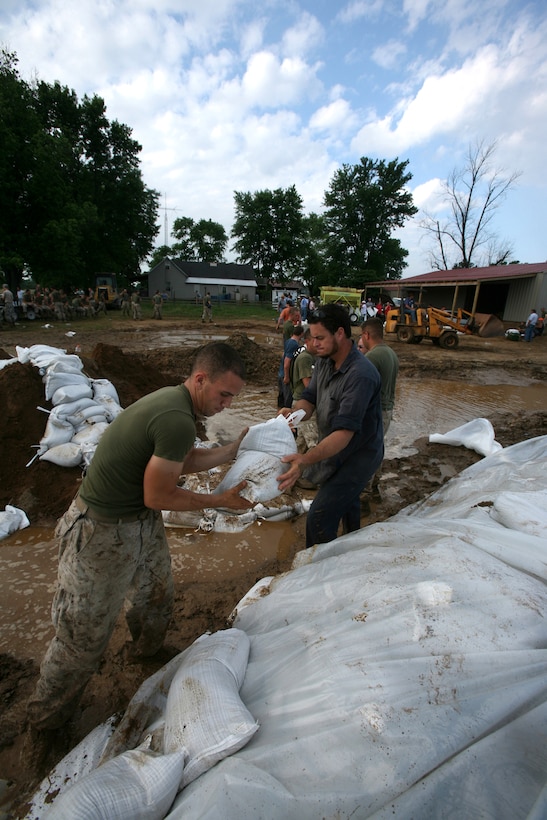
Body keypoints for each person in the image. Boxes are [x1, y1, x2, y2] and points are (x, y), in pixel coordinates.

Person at [27, 342, 254, 736]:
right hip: (101, 531)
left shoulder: (179, 406)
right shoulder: (175, 416)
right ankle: (43, 727)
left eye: (233, 397)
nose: (227, 405)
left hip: (139, 521)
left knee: (155, 595)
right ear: (201, 379)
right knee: (83, 639)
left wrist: (232, 450)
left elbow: (184, 461)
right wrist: (218, 501)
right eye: (224, 394)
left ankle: (144, 653)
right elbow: (159, 495)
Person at [277, 304, 383, 548]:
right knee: (348, 503)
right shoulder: (325, 360)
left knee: (319, 517)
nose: (314, 344)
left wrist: (305, 459)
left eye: (319, 338)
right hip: (336, 450)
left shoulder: (360, 375)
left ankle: (321, 570)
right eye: (312, 338)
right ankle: (351, 544)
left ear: (340, 334)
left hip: (359, 455)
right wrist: (293, 414)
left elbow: (344, 435)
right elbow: (310, 398)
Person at [360, 317, 399, 436]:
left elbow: (362, 388)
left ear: (366, 335)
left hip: (375, 412)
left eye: (362, 335)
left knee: (366, 449)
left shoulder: (372, 356)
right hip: (388, 409)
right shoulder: (391, 353)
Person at [289, 328, 318, 455]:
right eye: (315, 340)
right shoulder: (305, 358)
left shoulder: (311, 357)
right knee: (313, 440)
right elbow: (308, 384)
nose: (318, 343)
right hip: (304, 402)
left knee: (301, 441)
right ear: (307, 341)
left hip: (303, 401)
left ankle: (293, 467)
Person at [277, 324, 304, 408]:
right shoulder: (294, 345)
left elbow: (283, 355)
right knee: (288, 399)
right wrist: (287, 376)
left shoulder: (288, 341)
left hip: (281, 373)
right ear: (301, 334)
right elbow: (287, 361)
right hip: (285, 374)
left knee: (281, 398)